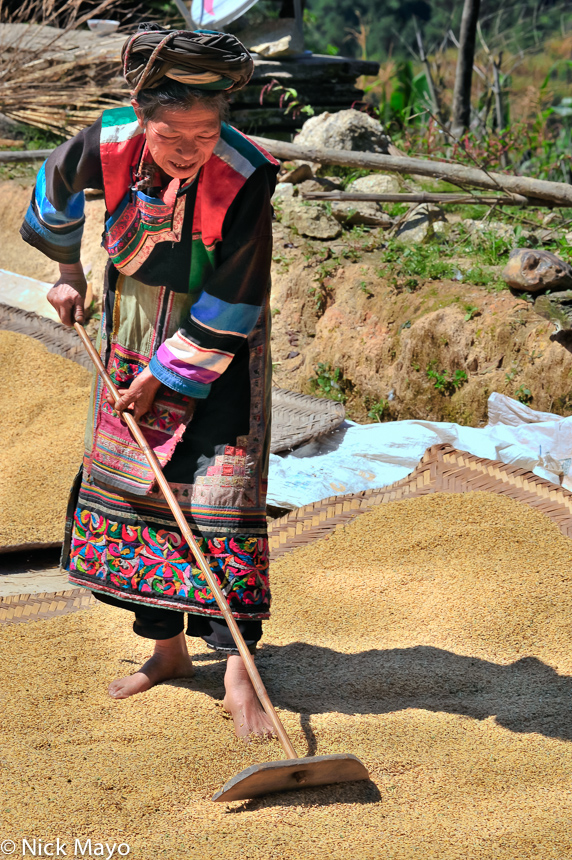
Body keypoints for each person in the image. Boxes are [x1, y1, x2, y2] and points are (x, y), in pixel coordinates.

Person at [21, 25, 279, 739]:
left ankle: (238, 674)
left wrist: (167, 380)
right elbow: (54, 189)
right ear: (143, 119)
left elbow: (237, 293)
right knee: (138, 491)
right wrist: (68, 273)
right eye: (174, 135)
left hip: (216, 347)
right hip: (130, 331)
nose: (192, 150)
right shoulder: (106, 142)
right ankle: (168, 652)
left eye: (206, 132)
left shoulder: (246, 172)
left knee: (220, 498)